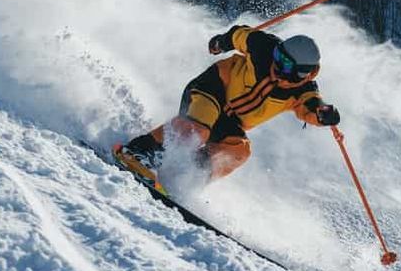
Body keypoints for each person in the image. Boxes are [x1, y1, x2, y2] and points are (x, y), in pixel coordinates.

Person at [113, 25, 340, 186]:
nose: (276, 64)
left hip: (229, 121)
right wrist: (221, 42)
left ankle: (186, 176)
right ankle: (139, 152)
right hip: (211, 88)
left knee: (240, 150)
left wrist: (323, 115)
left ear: (302, 72)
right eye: (278, 56)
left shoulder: (303, 90)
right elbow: (240, 35)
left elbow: (312, 107)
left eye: (285, 64)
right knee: (199, 129)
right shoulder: (264, 46)